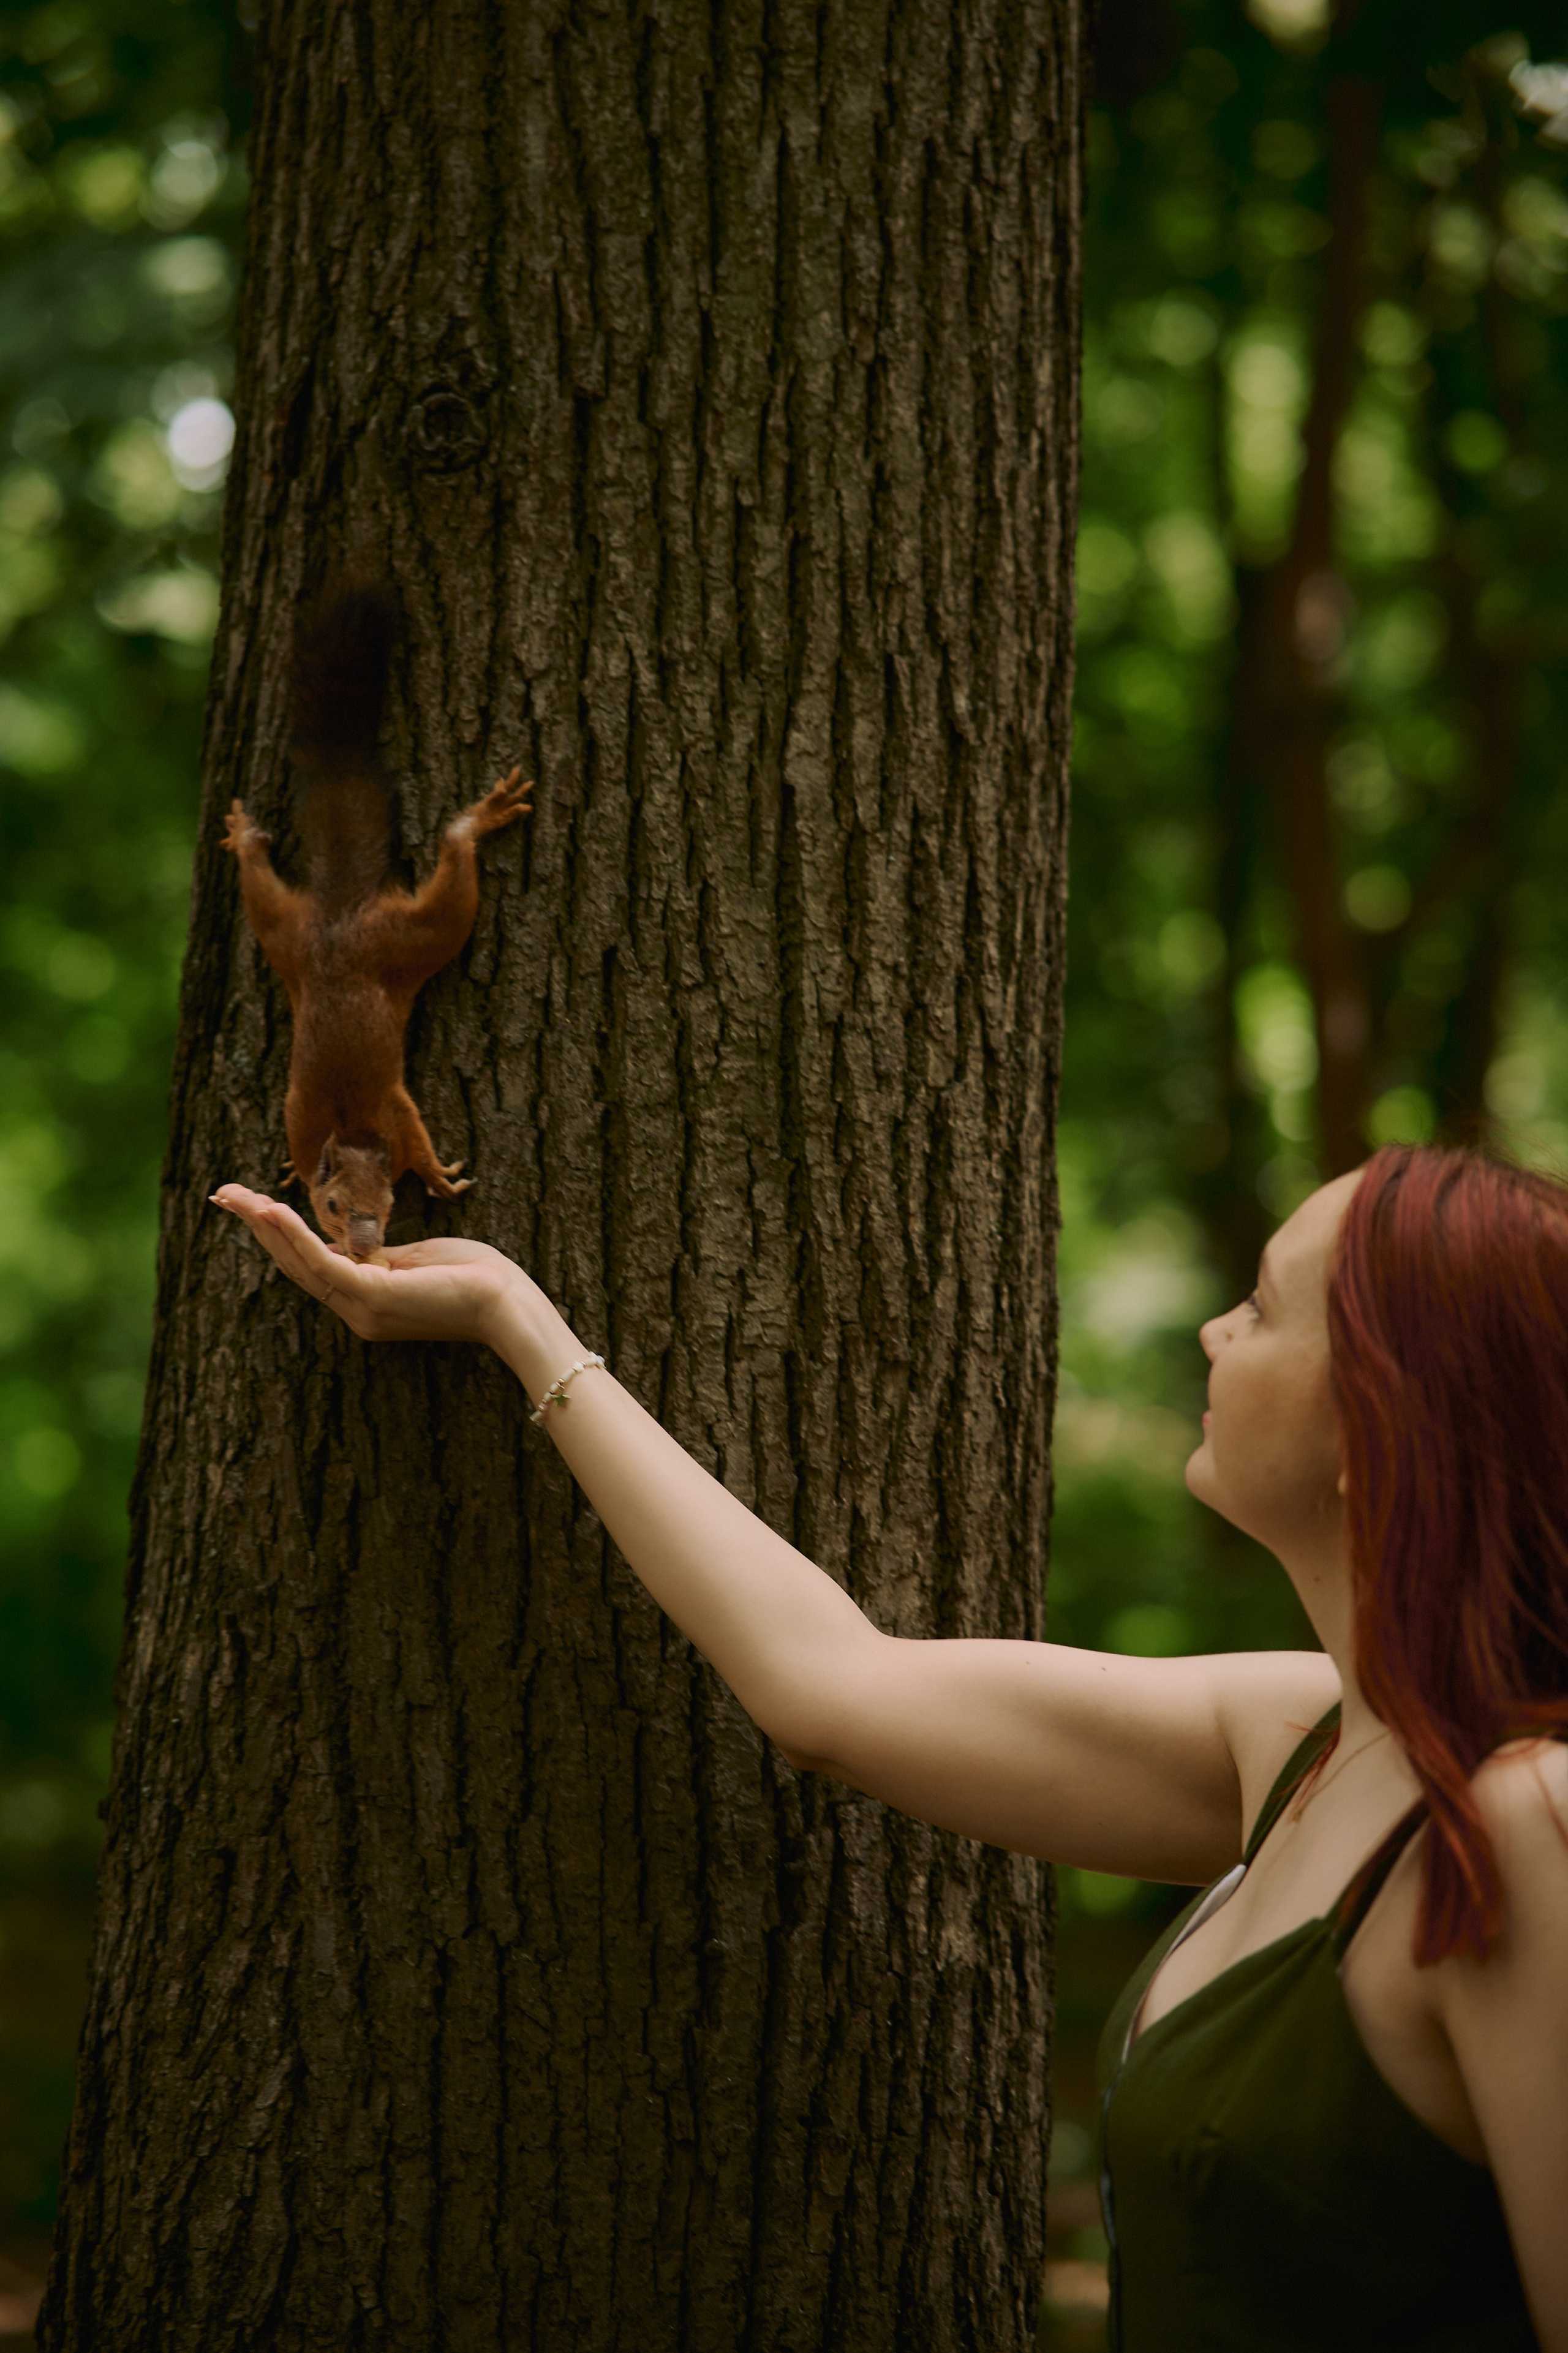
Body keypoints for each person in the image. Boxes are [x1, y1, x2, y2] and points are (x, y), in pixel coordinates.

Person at [211, 1141, 1568, 2351]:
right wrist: (517, 1319)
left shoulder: (1526, 1828)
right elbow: (832, 1690)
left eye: (1263, 1309)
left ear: (1383, 1414)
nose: (1214, 1333)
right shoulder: (1299, 1737)